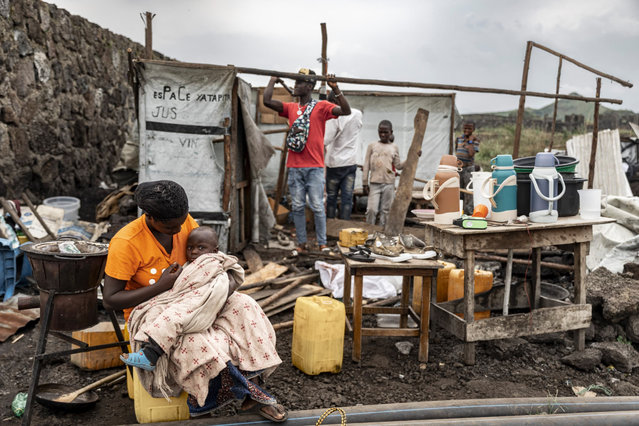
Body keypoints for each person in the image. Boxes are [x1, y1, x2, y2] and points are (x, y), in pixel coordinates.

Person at [103, 180, 287, 423]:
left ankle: (251, 391)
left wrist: (224, 287)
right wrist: (161, 286)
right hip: (153, 310)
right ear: (150, 217)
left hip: (198, 296)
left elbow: (209, 261)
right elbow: (110, 299)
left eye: (182, 222)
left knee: (246, 306)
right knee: (196, 341)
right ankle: (205, 407)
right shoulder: (126, 243)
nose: (180, 230)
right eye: (171, 227)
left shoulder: (184, 222)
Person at [263, 68, 351, 254]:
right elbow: (266, 101)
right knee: (297, 207)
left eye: (299, 83)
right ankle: (301, 244)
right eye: (295, 82)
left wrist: (336, 88)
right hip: (295, 167)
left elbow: (345, 110)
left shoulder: (321, 107)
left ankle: (322, 243)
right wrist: (272, 80)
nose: (295, 86)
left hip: (315, 167)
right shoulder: (291, 108)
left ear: (309, 86)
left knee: (318, 206)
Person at [362, 120, 420, 226]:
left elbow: (398, 166)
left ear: (391, 132)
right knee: (371, 210)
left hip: (389, 183)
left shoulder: (394, 147)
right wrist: (364, 182)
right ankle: (369, 230)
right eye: (380, 132)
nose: (383, 135)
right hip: (375, 183)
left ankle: (382, 233)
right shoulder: (372, 146)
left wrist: (413, 156)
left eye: (386, 132)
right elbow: (366, 165)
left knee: (386, 211)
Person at [324, 90, 363, 220]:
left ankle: (330, 225)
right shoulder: (357, 114)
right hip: (350, 163)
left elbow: (325, 140)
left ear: (334, 103)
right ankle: (344, 226)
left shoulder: (334, 118)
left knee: (331, 197)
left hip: (334, 164)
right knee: (347, 198)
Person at [455, 122, 480, 215]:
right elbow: (457, 151)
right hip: (459, 168)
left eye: (469, 129)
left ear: (473, 130)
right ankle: (459, 210)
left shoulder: (475, 140)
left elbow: (471, 153)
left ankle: (468, 212)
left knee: (468, 190)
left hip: (469, 168)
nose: (466, 130)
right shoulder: (458, 139)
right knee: (459, 190)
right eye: (465, 128)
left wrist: (470, 142)